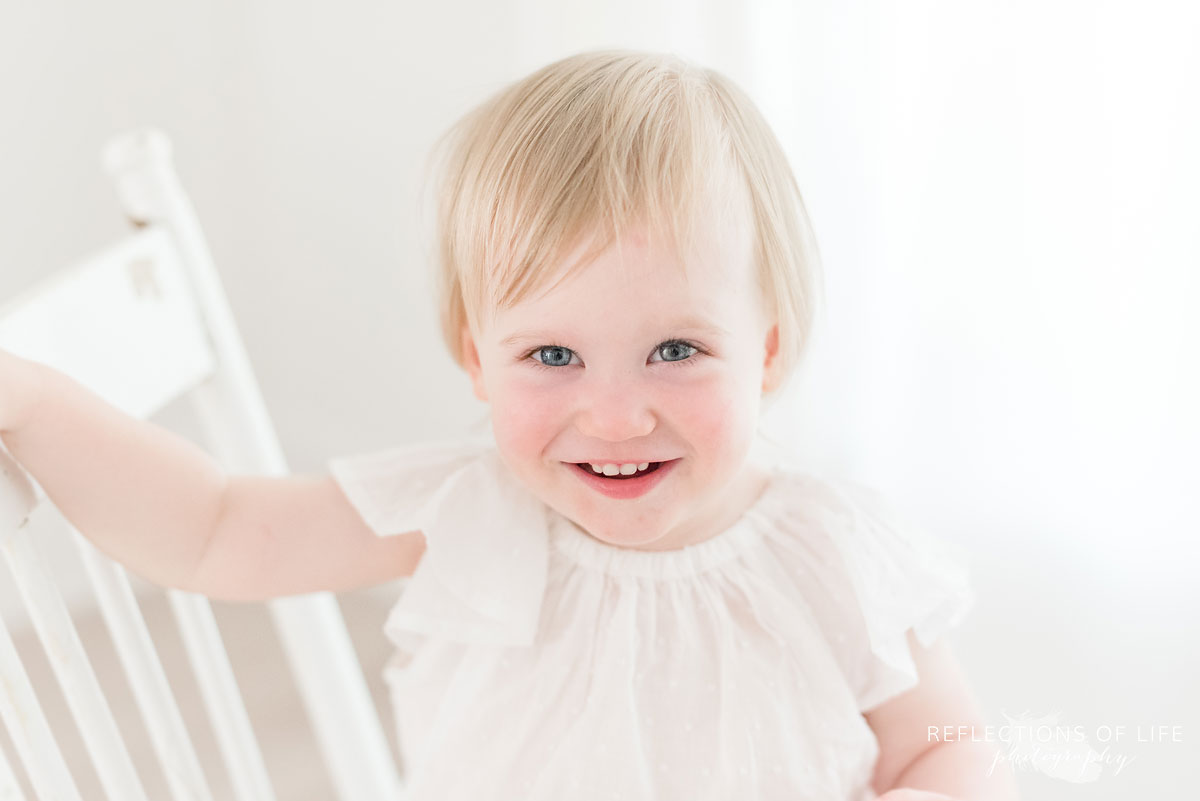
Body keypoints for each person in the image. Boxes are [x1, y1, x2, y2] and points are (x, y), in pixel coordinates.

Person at [0, 50, 1020, 800]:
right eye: (553, 356)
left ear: (766, 351)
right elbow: (214, 526)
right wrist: (35, 403)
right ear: (475, 358)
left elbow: (948, 744)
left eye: (676, 350)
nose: (616, 414)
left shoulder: (829, 551)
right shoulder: (460, 511)